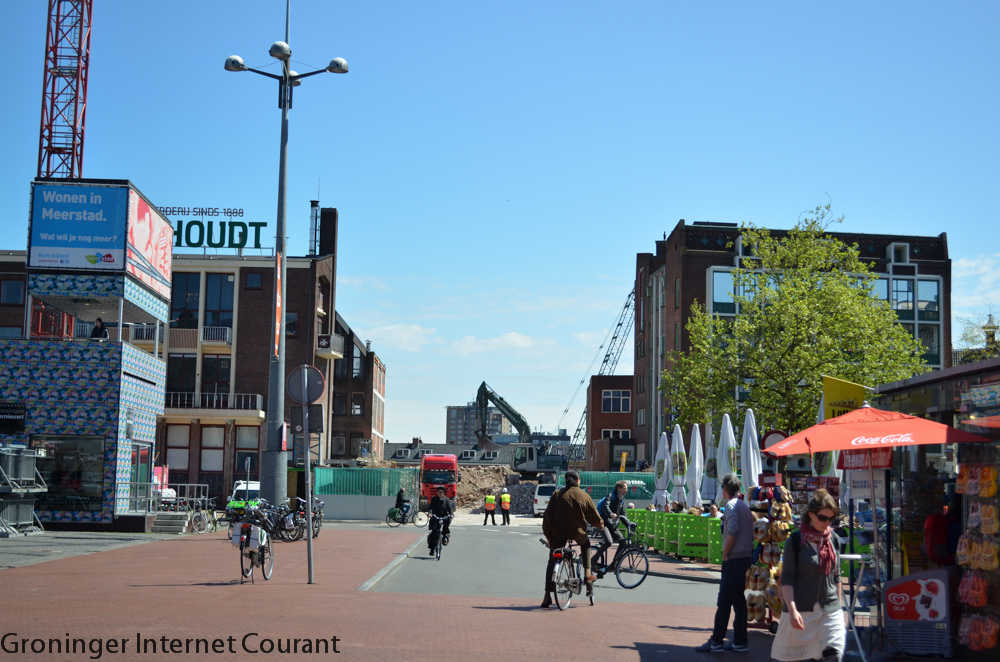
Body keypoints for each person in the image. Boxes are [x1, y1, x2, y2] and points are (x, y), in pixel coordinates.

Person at [770, 489, 845, 662]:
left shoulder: (833, 539)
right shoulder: (795, 541)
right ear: (811, 514)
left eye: (831, 519)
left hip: (829, 611)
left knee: (834, 655)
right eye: (823, 518)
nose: (827, 523)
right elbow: (787, 578)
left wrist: (839, 607)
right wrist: (792, 610)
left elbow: (836, 576)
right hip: (801, 612)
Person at [696, 473, 753, 653]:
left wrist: (725, 553)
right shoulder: (744, 506)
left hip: (734, 558)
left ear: (725, 489)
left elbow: (733, 530)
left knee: (724, 600)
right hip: (744, 556)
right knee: (738, 599)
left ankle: (716, 641)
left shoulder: (731, 505)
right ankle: (740, 640)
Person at [540, 470, 604, 609]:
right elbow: (593, 516)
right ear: (578, 480)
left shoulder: (556, 495)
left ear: (566, 481)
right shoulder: (584, 495)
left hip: (558, 534)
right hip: (578, 533)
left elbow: (547, 517)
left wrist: (548, 535)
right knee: (586, 545)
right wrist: (600, 524)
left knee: (552, 561)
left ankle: (547, 596)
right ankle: (587, 573)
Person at [594, 480, 628, 576]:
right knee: (609, 541)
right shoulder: (610, 496)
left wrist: (630, 524)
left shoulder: (621, 501)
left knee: (624, 542)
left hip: (612, 525)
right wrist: (610, 514)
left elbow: (623, 515)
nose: (626, 490)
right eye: (625, 488)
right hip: (602, 523)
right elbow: (605, 506)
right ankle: (593, 560)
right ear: (618, 488)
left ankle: (614, 565)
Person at [923, 492, 961, 565]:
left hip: (948, 556)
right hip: (952, 556)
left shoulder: (950, 516)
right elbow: (953, 544)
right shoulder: (957, 520)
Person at [427, 487, 453, 553]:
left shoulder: (446, 500)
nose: (440, 493)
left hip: (444, 516)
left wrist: (451, 514)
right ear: (437, 492)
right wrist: (430, 513)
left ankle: (445, 535)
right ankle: (432, 549)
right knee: (434, 532)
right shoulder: (434, 499)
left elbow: (450, 508)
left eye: (441, 492)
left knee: (447, 522)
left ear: (443, 493)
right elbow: (431, 508)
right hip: (435, 516)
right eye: (439, 492)